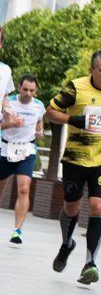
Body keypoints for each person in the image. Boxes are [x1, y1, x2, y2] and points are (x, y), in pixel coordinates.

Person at [45, 49, 101, 285]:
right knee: (71, 208)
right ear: (91, 71)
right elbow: (50, 112)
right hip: (75, 158)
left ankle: (91, 262)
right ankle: (67, 243)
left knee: (97, 206)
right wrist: (73, 119)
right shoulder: (76, 88)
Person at [0, 74, 45, 245]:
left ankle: (17, 230)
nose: (28, 93)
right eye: (25, 89)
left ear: (35, 90)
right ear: (19, 88)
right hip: (6, 148)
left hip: (27, 149)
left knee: (24, 188)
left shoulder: (39, 106)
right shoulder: (8, 102)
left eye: (32, 90)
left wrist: (40, 132)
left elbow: (40, 122)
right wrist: (10, 124)